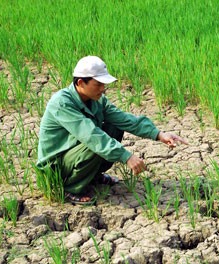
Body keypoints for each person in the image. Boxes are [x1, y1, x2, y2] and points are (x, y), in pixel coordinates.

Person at [36, 56, 187, 204]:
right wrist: (126, 156)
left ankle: (92, 176)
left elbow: (124, 119)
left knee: (114, 126)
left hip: (73, 154)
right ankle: (69, 188)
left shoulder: (96, 100)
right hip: (56, 166)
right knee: (95, 144)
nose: (103, 89)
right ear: (81, 82)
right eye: (98, 84)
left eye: (104, 84)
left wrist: (159, 134)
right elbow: (91, 136)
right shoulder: (62, 103)